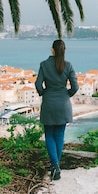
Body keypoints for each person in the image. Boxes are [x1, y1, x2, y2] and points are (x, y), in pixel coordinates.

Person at [35, 39, 79, 181]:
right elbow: (75, 87)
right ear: (63, 51)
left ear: (52, 50)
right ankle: (56, 166)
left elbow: (38, 84)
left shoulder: (44, 65)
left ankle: (55, 166)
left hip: (49, 103)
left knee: (49, 135)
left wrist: (43, 93)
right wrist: (67, 94)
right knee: (59, 135)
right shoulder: (68, 66)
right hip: (63, 104)